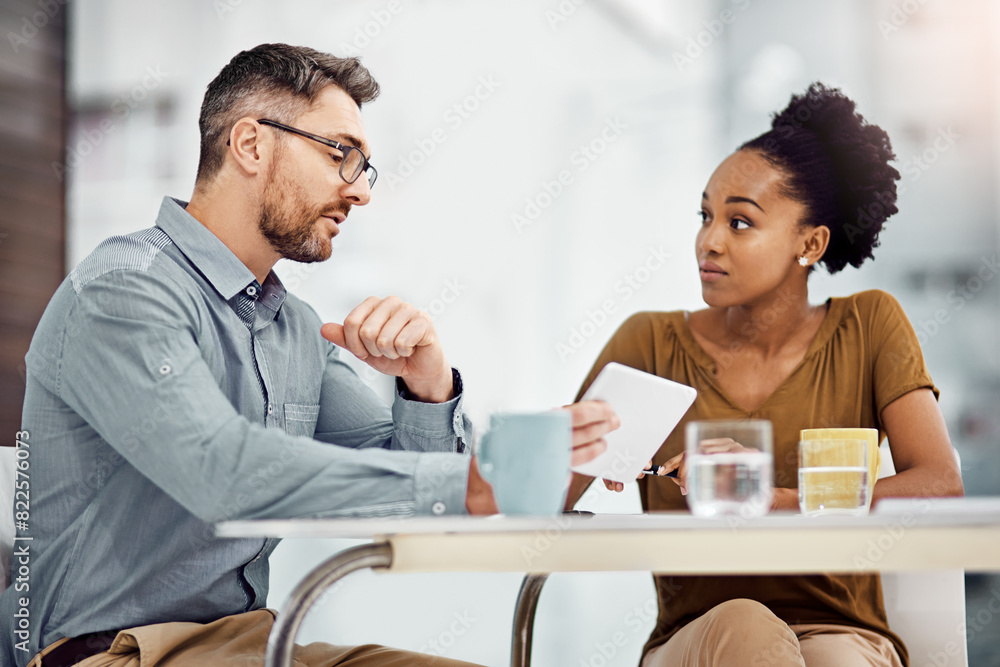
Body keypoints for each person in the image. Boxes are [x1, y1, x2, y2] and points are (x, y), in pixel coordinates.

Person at [0, 43, 618, 667]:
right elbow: (219, 469)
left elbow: (415, 493)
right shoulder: (125, 291)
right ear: (251, 145)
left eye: (364, 167)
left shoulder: (292, 326)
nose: (361, 191)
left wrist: (427, 387)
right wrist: (473, 483)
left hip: (250, 642)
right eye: (340, 154)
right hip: (109, 654)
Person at [565, 83, 964, 667]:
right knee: (747, 628)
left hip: (841, 633)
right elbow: (546, 500)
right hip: (697, 641)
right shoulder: (647, 342)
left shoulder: (870, 326)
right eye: (705, 216)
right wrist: (566, 446)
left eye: (739, 222)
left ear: (811, 242)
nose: (709, 241)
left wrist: (775, 500)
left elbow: (939, 485)